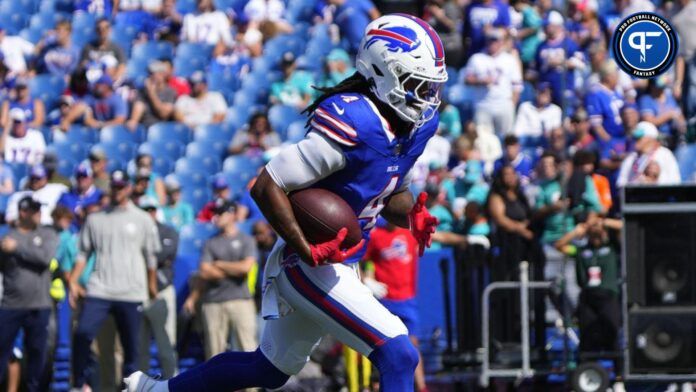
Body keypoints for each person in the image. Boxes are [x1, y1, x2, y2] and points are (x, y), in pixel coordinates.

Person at [124, 13, 444, 392]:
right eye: (414, 83)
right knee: (399, 354)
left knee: (268, 371)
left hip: (342, 263)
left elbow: (390, 192)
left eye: (428, 86)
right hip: (310, 265)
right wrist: (304, 247)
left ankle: (156, 390)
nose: (423, 95)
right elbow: (267, 184)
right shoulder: (355, 121)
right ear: (381, 71)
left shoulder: (416, 126)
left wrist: (414, 215)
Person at [70, 170, 160, 391]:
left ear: (128, 188)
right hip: (100, 289)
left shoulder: (142, 219)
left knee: (132, 349)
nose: (118, 190)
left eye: (122, 186)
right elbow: (83, 254)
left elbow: (151, 258)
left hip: (131, 291)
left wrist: (152, 287)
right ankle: (79, 384)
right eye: (114, 186)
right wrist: (72, 281)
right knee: (82, 333)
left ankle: (131, 388)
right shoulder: (95, 218)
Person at [183, 199, 258, 359]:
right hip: (213, 302)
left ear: (231, 214)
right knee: (214, 354)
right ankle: (219, 385)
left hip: (240, 300)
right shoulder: (210, 242)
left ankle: (252, 386)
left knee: (248, 348)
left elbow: (245, 268)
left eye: (220, 213)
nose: (215, 218)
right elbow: (205, 271)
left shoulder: (246, 240)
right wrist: (234, 269)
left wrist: (219, 264)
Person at [0, 196, 58, 392]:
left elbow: (45, 257)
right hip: (11, 305)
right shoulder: (7, 237)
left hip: (39, 305)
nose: (39, 214)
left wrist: (17, 248)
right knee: (2, 350)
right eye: (34, 210)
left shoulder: (48, 234)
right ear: (23, 212)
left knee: (37, 353)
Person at [362, 220, 427, 392]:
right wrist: (367, 280)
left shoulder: (409, 233)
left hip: (407, 301)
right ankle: (376, 385)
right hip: (385, 301)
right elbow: (358, 260)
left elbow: (439, 236)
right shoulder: (375, 236)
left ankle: (421, 387)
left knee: (412, 346)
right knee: (387, 347)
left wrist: (465, 239)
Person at [555, 218, 622, 353]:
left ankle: (618, 371)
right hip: (588, 298)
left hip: (608, 297)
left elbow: (623, 227)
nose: (595, 233)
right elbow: (559, 245)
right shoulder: (580, 251)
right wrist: (576, 232)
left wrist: (603, 222)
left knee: (612, 332)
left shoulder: (612, 248)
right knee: (587, 335)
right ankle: (586, 367)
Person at [137, 196, 179, 378]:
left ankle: (174, 385)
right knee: (140, 349)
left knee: (167, 346)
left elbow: (163, 255)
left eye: (151, 209)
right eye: (145, 210)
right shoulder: (135, 232)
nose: (149, 213)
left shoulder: (168, 231)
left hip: (162, 292)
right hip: (138, 293)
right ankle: (140, 388)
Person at [464, 29, 522, 136]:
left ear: (501, 42)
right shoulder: (477, 58)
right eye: (490, 41)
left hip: (503, 104)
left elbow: (517, 86)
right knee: (483, 139)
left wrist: (511, 105)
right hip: (483, 104)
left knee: (506, 137)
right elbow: (466, 79)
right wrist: (480, 81)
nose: (493, 44)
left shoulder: (509, 60)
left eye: (495, 41)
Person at [617, 122, 681, 186]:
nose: (635, 140)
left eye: (639, 137)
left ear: (651, 138)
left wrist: (655, 180)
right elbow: (620, 185)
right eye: (635, 137)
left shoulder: (665, 154)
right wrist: (638, 182)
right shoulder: (631, 158)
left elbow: (675, 182)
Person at [61, 75, 128, 130]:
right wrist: (66, 121)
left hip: (112, 132)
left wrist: (99, 125)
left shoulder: (117, 100)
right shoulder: (92, 97)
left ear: (105, 86)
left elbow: (119, 120)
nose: (95, 87)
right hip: (94, 129)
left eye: (97, 85)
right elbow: (80, 107)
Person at [127, 60, 177, 129]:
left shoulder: (170, 92)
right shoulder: (142, 91)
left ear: (162, 74)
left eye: (153, 73)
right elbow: (139, 106)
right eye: (149, 73)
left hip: (161, 129)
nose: (150, 76)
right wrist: (133, 121)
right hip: (144, 128)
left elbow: (164, 114)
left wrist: (152, 94)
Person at [56, 162, 104, 231]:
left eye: (84, 176)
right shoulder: (66, 196)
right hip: (71, 236)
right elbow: (58, 216)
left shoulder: (100, 196)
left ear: (91, 178)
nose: (81, 180)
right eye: (79, 176)